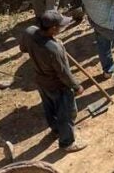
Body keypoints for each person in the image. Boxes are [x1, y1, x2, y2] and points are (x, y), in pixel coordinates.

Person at [18, 10, 87, 152]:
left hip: (41, 81)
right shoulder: (54, 49)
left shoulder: (30, 32)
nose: (62, 28)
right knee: (67, 113)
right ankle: (67, 142)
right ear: (53, 28)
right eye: (60, 26)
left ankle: (56, 130)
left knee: (49, 107)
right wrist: (76, 86)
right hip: (58, 85)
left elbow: (23, 48)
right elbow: (63, 74)